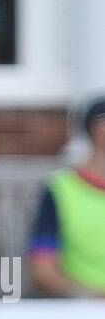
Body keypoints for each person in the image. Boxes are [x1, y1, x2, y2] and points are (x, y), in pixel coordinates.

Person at [27, 96, 105, 296]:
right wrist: (87, 296)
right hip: (80, 310)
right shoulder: (61, 189)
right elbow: (42, 267)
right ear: (98, 129)